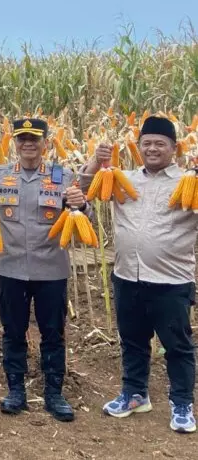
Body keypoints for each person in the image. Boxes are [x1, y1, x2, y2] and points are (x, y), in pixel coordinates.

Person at [80, 115, 197, 434]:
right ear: (138, 147)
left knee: (178, 345)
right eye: (147, 144)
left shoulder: (188, 181)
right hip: (127, 276)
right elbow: (80, 194)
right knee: (132, 341)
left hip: (171, 281)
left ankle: (182, 403)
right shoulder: (122, 177)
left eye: (161, 144)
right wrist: (95, 163)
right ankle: (134, 394)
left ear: (174, 148)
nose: (153, 149)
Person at [0, 118, 88, 423]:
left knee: (53, 333)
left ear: (45, 143)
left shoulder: (63, 176)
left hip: (51, 268)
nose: (28, 144)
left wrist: (81, 204)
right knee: (13, 332)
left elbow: (78, 211)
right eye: (22, 138)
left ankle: (54, 393)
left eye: (34, 139)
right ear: (15, 143)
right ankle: (16, 391)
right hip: (11, 267)